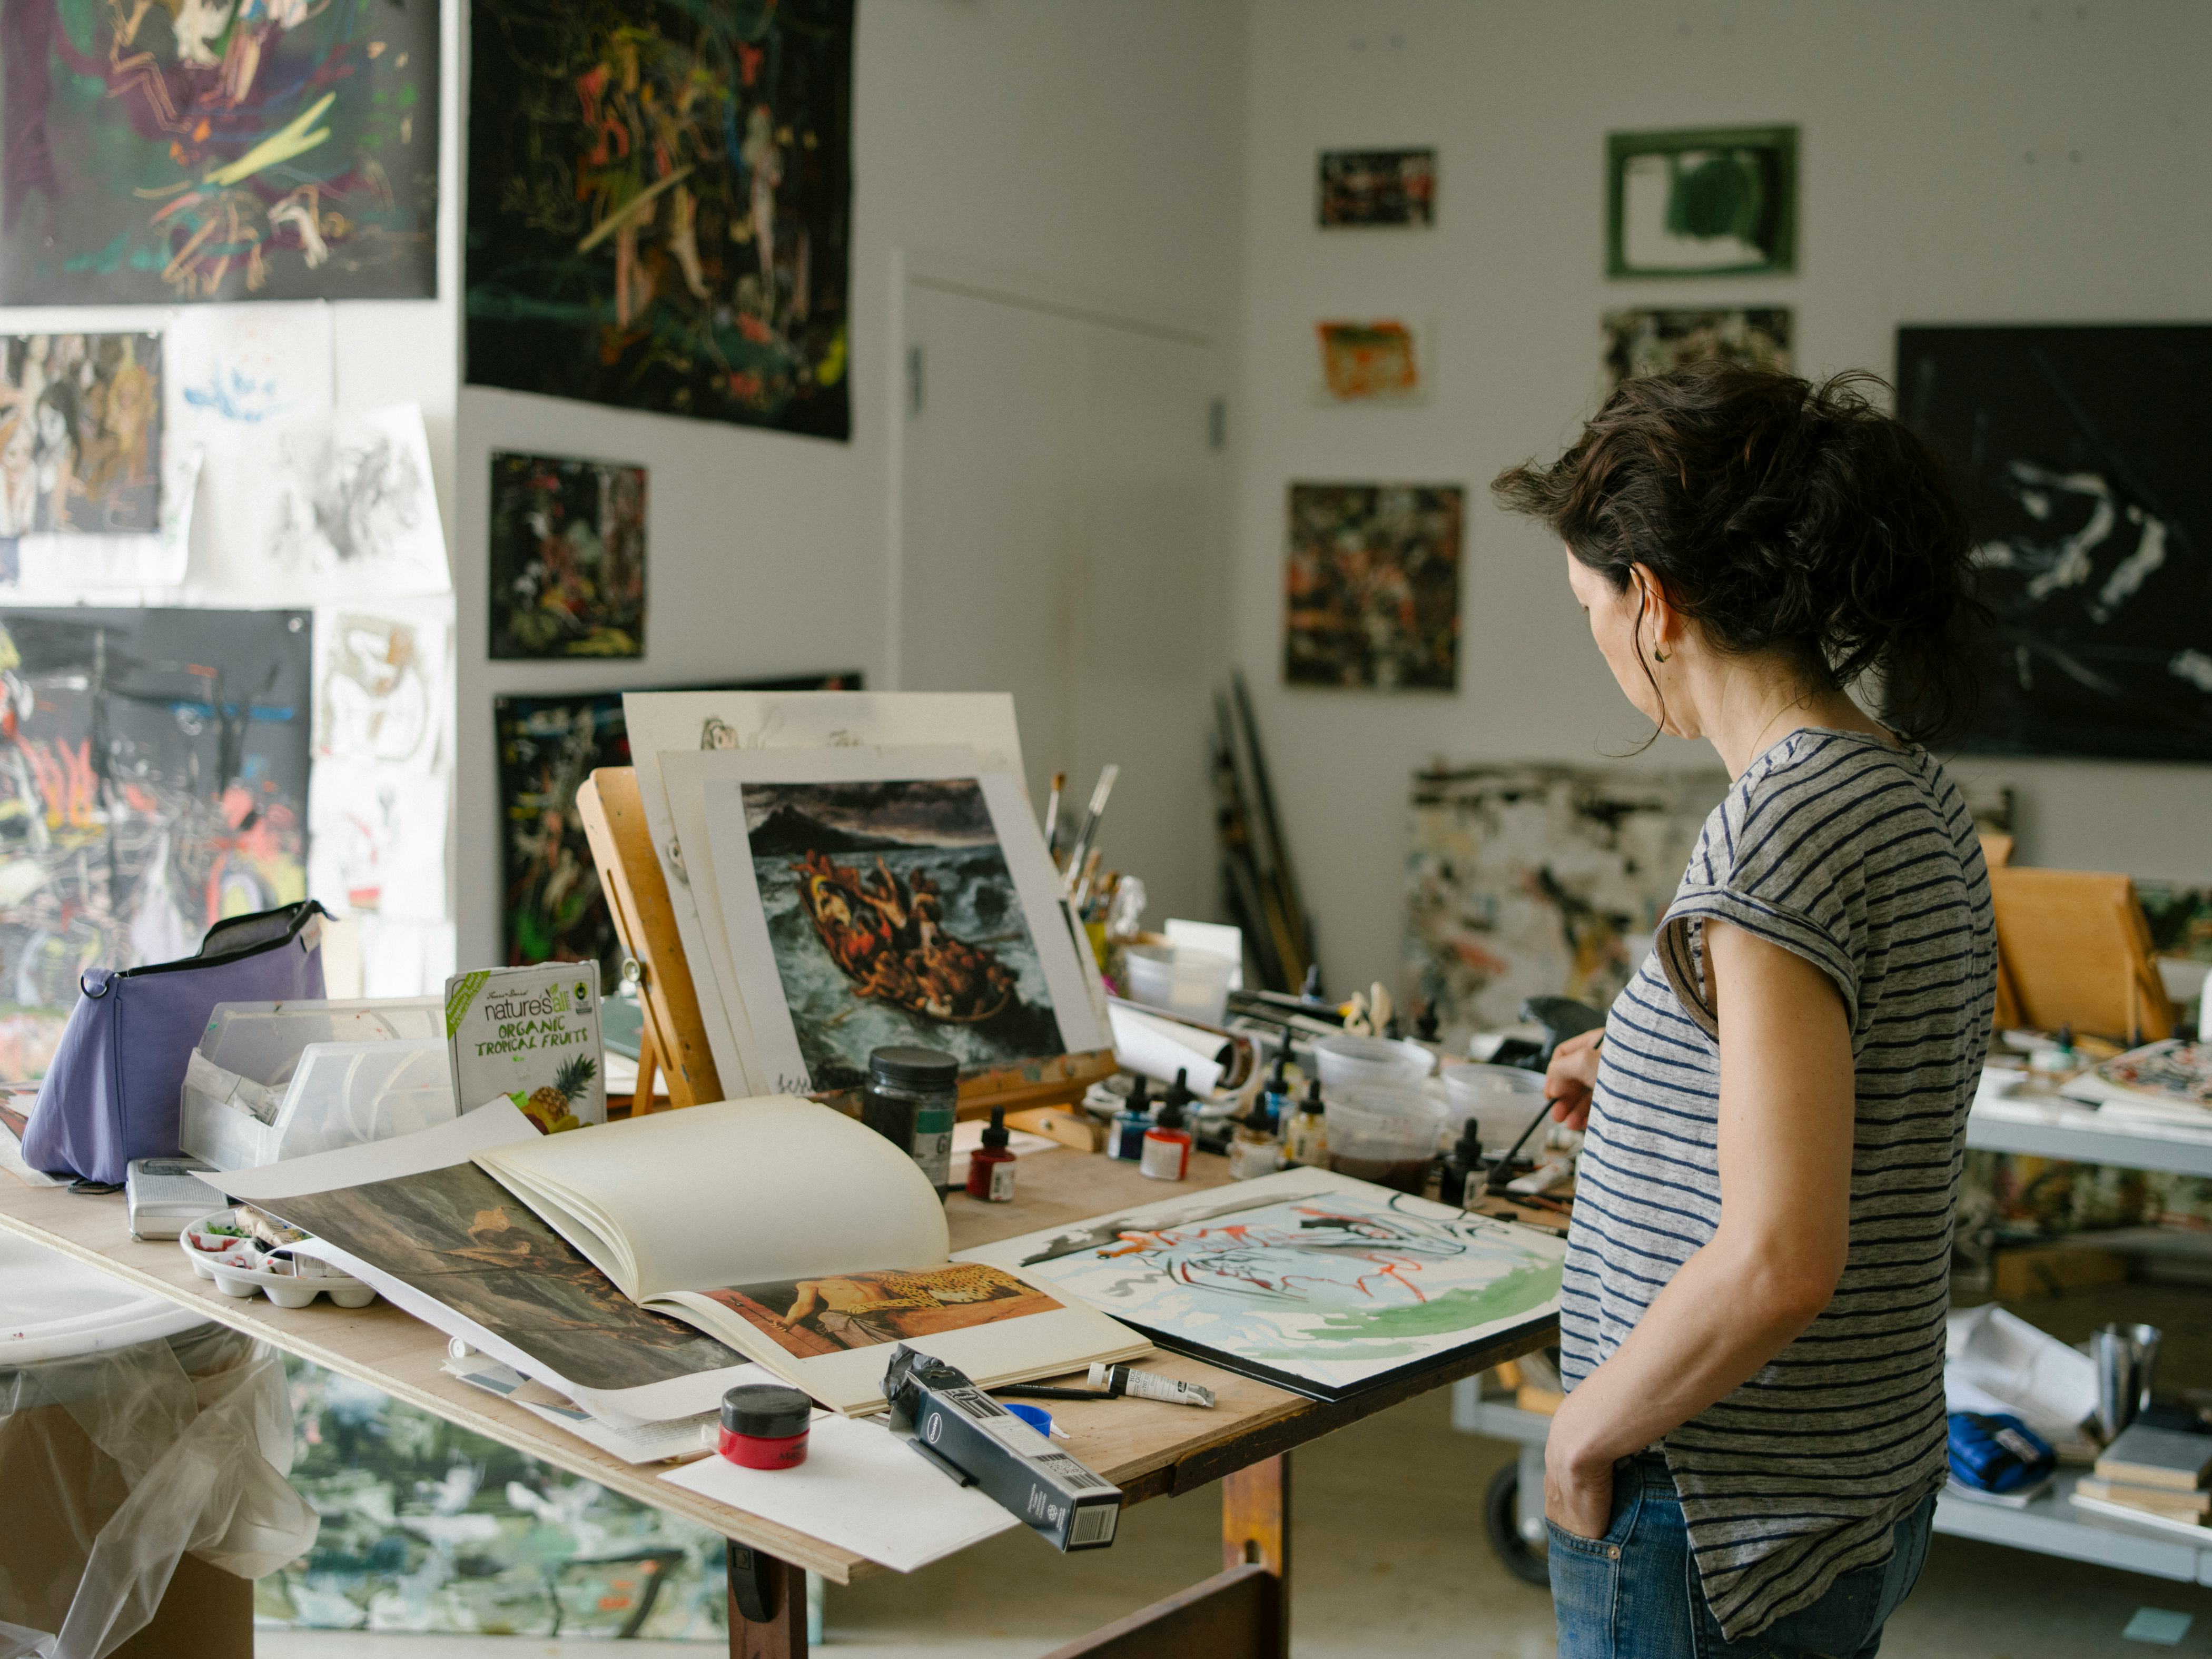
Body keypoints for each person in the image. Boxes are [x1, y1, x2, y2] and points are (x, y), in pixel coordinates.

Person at [1490, 363, 1997, 1658]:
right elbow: (1870, 1069)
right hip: (1851, 1482)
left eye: (1587, 606)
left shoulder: (1773, 834)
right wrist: (1659, 1057)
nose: (1595, 638)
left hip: (1711, 1509)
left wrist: (1585, 1424)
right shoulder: (1904, 789)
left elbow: (1781, 1258)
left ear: (1652, 602)